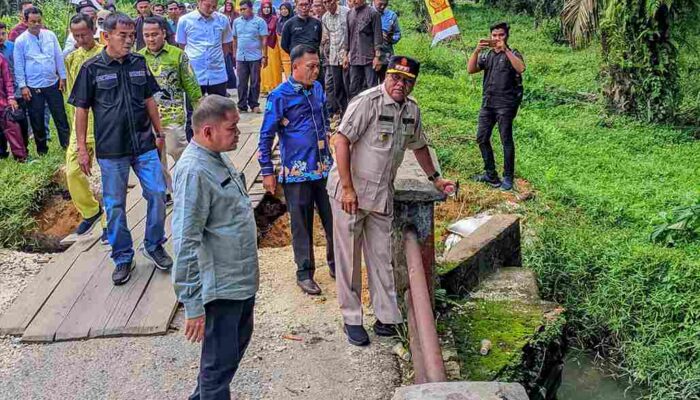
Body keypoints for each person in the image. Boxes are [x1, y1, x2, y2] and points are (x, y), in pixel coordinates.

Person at [327, 56, 454, 346]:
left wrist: (436, 178)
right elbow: (342, 141)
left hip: (382, 194)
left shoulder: (411, 110)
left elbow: (419, 145)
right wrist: (347, 188)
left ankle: (386, 316)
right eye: (395, 78)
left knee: (382, 257)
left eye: (407, 81)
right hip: (351, 193)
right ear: (386, 77)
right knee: (349, 259)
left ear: (413, 84)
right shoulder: (367, 103)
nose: (400, 84)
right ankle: (352, 319)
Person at [69, 12, 173, 285]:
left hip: (143, 143)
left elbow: (149, 99)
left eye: (131, 36)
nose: (129, 41)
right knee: (115, 206)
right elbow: (81, 111)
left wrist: (158, 131)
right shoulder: (91, 68)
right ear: (106, 36)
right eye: (122, 36)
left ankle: (153, 244)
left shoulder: (139, 62)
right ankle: (123, 256)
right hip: (111, 149)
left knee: (158, 193)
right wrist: (82, 148)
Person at [172, 95, 259, 400]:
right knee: (216, 374)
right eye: (232, 128)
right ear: (207, 132)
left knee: (226, 362)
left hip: (240, 281)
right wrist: (193, 304)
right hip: (222, 289)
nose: (238, 134)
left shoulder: (216, 156)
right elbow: (185, 241)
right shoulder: (194, 171)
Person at [259, 45, 335, 295]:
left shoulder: (318, 89)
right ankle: (304, 272)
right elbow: (266, 135)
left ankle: (337, 264)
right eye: (310, 67)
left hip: (324, 168)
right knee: (301, 224)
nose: (316, 70)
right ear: (295, 67)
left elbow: (324, 117)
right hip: (296, 171)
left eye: (318, 66)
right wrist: (267, 171)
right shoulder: (279, 96)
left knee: (333, 219)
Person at [140, 16, 202, 203]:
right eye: (146, 35)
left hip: (173, 114)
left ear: (164, 33)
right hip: (148, 117)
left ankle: (190, 185)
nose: (151, 39)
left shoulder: (178, 55)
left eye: (154, 34)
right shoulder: (138, 58)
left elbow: (191, 84)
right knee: (155, 156)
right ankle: (165, 191)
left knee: (178, 150)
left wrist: (200, 110)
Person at [467, 22, 525, 191]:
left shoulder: (512, 53)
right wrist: (477, 50)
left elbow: (521, 68)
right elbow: (471, 69)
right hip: (488, 103)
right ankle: (490, 174)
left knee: (505, 140)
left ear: (507, 36)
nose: (497, 38)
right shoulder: (487, 55)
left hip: (506, 105)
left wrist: (505, 49)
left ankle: (508, 177)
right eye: (494, 35)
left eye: (501, 35)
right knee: (481, 137)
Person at [64, 13, 107, 238]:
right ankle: (90, 211)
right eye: (76, 35)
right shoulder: (71, 58)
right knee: (72, 171)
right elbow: (73, 95)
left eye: (84, 34)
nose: (80, 39)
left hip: (103, 123)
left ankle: (111, 221)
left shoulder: (105, 55)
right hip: (80, 124)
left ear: (94, 30)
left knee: (109, 172)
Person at [14, 6, 70, 154]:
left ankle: (67, 145)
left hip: (52, 82)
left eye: (39, 21)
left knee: (60, 116)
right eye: (33, 21)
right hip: (33, 86)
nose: (37, 24)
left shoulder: (50, 35)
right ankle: (42, 150)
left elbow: (58, 56)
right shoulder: (21, 41)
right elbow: (18, 65)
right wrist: (23, 86)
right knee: (37, 118)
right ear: (26, 22)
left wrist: (62, 77)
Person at [177, 0, 234, 96]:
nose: (211, 9)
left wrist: (216, 59)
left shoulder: (223, 20)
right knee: (195, 109)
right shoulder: (185, 20)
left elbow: (226, 44)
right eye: (207, 6)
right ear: (199, 2)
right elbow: (182, 46)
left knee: (218, 109)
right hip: (194, 74)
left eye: (214, 7)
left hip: (217, 73)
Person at [232, 0, 268, 113]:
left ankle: (254, 104)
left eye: (244, 9)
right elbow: (234, 39)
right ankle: (242, 105)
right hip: (241, 57)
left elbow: (264, 39)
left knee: (255, 82)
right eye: (240, 9)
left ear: (251, 9)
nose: (242, 11)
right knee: (241, 82)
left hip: (255, 57)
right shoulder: (236, 22)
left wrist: (264, 56)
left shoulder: (259, 21)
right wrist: (234, 54)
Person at [345, 0, 382, 99]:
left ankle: (374, 112)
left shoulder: (373, 13)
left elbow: (378, 37)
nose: (355, 1)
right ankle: (355, 111)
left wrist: (377, 57)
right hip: (354, 58)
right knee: (353, 87)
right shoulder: (349, 14)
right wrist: (345, 55)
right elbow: (347, 37)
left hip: (369, 58)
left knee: (372, 88)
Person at [321, 0, 349, 116]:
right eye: (325, 2)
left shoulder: (346, 12)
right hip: (333, 57)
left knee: (349, 86)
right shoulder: (325, 17)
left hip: (346, 56)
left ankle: (350, 113)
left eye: (330, 1)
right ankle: (342, 113)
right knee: (337, 87)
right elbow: (326, 37)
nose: (328, 4)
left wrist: (348, 54)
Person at [0, 47, 25, 162]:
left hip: (3, 101)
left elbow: (7, 80)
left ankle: (20, 156)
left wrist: (11, 97)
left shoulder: (1, 59)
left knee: (12, 128)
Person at [258, 0, 282, 94]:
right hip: (261, 46)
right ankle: (264, 88)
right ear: (261, 9)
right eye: (264, 7)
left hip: (273, 45)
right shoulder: (258, 19)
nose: (266, 9)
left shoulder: (276, 19)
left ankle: (275, 87)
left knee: (274, 67)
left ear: (271, 8)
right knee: (264, 68)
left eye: (268, 7)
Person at [373, 0, 400, 82]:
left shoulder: (392, 16)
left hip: (386, 57)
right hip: (370, 57)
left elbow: (397, 34)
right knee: (370, 87)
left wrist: (391, 38)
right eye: (380, 4)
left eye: (385, 5)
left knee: (385, 83)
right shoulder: (367, 13)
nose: (382, 7)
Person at [277, 2, 293, 78]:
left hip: (292, 52)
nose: (283, 11)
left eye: (285, 9)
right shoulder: (279, 22)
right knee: (287, 74)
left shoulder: (294, 21)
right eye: (282, 9)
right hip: (283, 53)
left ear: (289, 10)